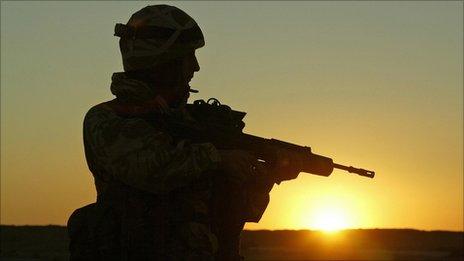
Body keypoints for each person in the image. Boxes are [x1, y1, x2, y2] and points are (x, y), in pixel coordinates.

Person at [68, 5, 301, 261]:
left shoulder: (195, 124)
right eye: (188, 56)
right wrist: (221, 158)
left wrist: (266, 175)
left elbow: (240, 211)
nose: (196, 67)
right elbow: (151, 168)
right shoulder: (109, 118)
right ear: (161, 60)